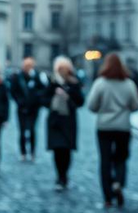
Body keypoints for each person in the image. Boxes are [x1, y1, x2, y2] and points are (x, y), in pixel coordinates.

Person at [87, 53, 138, 208]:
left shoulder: (100, 83)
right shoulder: (129, 84)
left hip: (104, 126)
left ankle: (108, 197)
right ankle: (118, 182)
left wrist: (103, 108)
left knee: (105, 160)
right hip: (123, 127)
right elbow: (136, 106)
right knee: (121, 158)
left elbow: (91, 106)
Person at [43, 55, 84, 190]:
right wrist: (54, 96)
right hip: (55, 121)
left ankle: (64, 175)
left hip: (68, 121)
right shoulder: (52, 82)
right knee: (57, 150)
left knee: (66, 150)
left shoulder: (74, 83)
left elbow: (80, 101)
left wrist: (68, 96)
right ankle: (59, 177)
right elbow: (43, 99)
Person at [9, 56, 47, 161]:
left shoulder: (37, 76)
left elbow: (43, 90)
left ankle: (32, 152)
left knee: (32, 130)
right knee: (22, 131)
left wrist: (37, 98)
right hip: (22, 108)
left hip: (34, 108)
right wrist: (19, 101)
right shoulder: (18, 77)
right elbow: (13, 91)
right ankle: (23, 152)